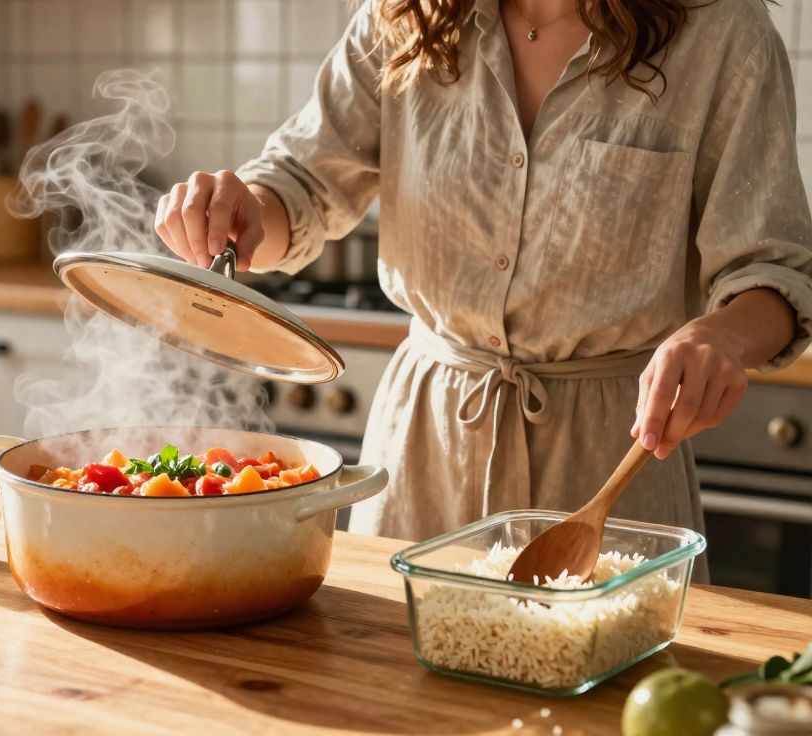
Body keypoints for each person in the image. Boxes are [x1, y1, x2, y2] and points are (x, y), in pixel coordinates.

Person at [153, 0, 812, 543]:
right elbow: (298, 187)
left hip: (614, 460)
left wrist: (723, 336)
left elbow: (773, 270)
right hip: (423, 456)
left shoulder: (722, 32)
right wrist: (240, 210)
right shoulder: (402, 17)